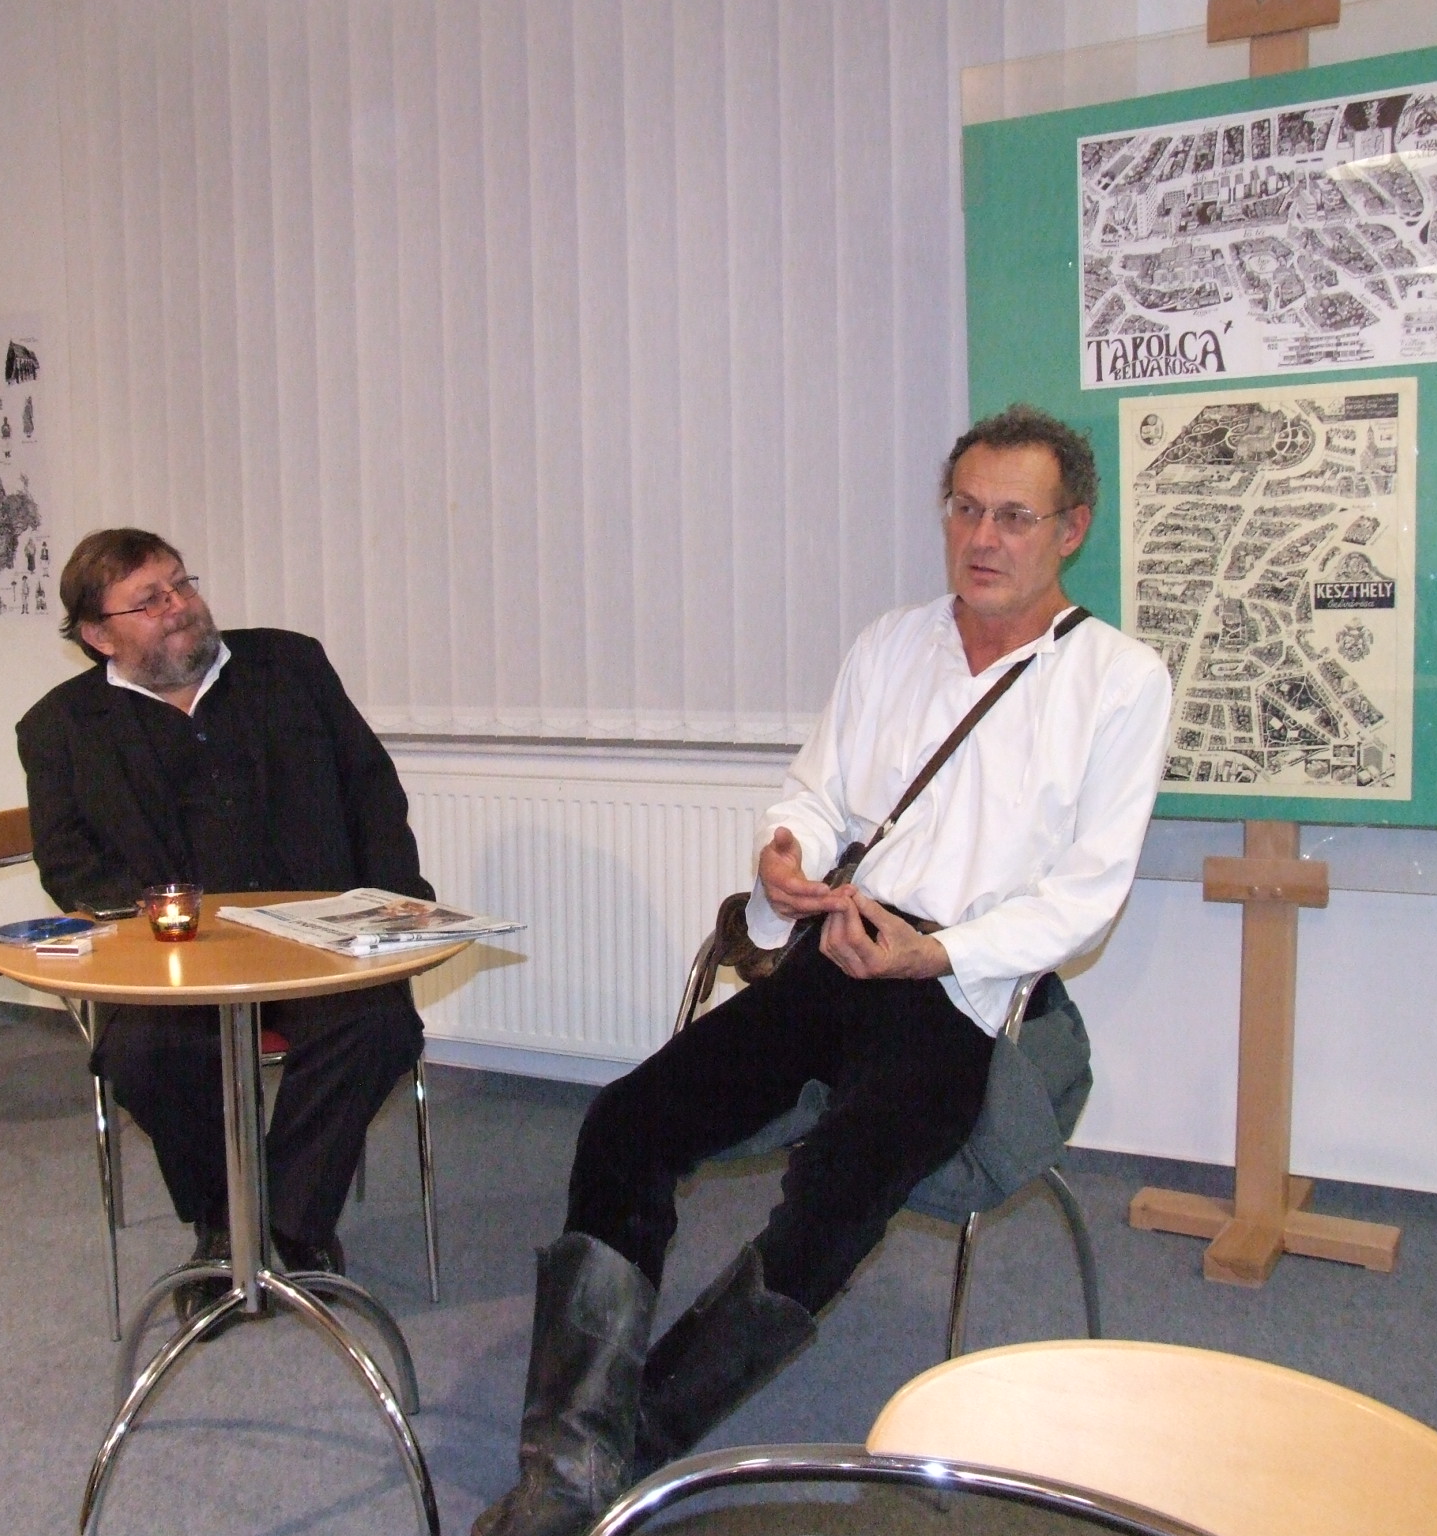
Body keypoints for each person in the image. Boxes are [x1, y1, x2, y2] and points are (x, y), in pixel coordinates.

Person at [473, 404, 1174, 1536]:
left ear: (1071, 528)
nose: (980, 537)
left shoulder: (1120, 679)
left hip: (959, 993)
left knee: (839, 1190)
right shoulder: (891, 643)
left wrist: (936, 950)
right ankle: (570, 1466)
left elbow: (1085, 894)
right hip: (838, 953)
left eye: (1012, 516)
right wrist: (785, 853)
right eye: (963, 509)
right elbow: (816, 792)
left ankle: (635, 1442)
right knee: (622, 1124)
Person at [16, 528, 431, 1308]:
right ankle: (222, 1223)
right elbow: (68, 864)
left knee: (379, 1027)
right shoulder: (61, 728)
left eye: (180, 583)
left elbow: (372, 792)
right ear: (99, 635)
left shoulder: (289, 666)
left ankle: (289, 1226)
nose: (178, 606)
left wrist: (393, 902)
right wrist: (154, 921)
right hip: (181, 961)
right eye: (149, 600)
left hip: (317, 946)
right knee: (142, 1055)